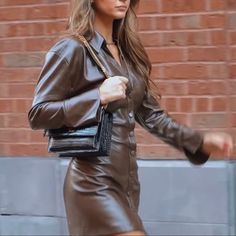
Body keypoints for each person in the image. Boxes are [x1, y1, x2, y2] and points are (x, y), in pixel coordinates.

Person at [28, 0, 233, 235]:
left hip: (128, 184)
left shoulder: (127, 54)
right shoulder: (71, 48)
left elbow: (153, 116)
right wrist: (98, 97)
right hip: (92, 181)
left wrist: (199, 142)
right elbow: (38, 113)